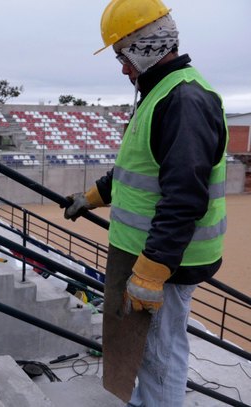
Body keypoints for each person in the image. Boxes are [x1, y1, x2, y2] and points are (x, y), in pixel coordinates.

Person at [63, 0, 228, 405]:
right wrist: (90, 198)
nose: (122, 68)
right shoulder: (160, 94)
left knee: (159, 353)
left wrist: (152, 272)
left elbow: (184, 196)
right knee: (148, 350)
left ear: (145, 46)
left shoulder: (184, 100)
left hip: (168, 261)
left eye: (123, 55)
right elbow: (138, 171)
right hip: (151, 254)